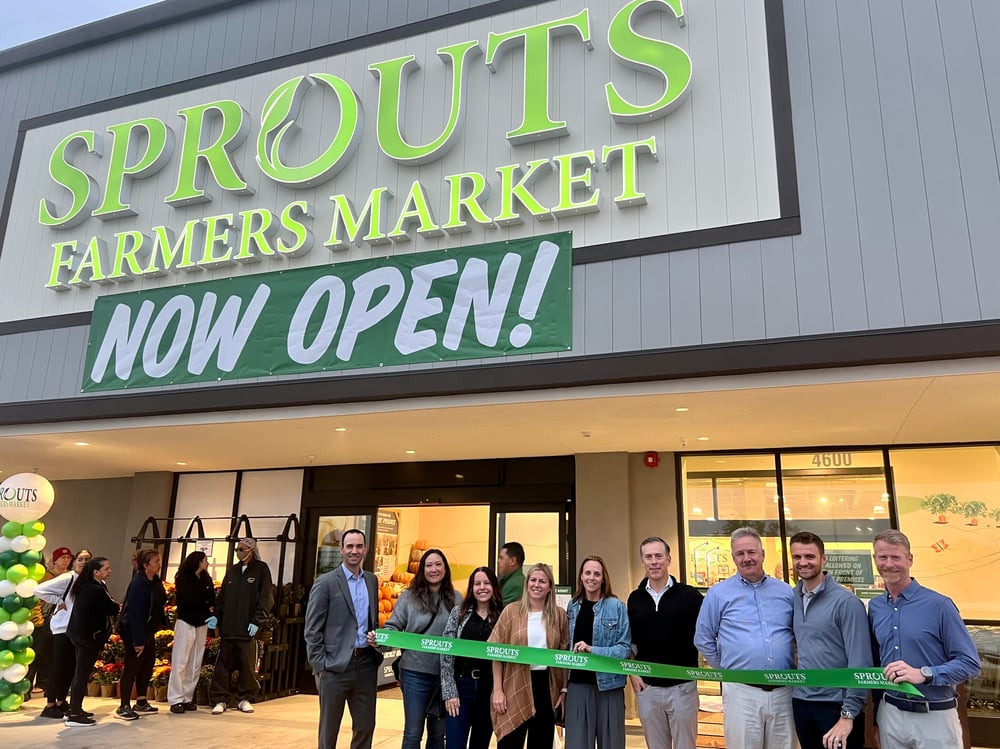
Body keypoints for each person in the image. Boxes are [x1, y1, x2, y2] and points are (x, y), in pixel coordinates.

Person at [869, 529, 981, 749]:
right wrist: (876, 722)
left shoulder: (940, 605)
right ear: (875, 559)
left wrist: (925, 673)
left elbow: (970, 664)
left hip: (935, 716)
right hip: (889, 713)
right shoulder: (875, 607)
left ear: (909, 560)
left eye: (896, 557)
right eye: (882, 557)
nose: (889, 564)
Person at [694, 527, 795, 749]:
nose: (746, 558)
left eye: (751, 552)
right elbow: (703, 638)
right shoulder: (718, 593)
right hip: (741, 693)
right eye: (740, 554)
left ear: (762, 555)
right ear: (733, 558)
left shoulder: (786, 592)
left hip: (784, 692)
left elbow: (797, 636)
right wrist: (728, 671)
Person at [788, 532, 871, 749]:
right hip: (802, 702)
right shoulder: (793, 598)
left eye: (810, 556)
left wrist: (849, 713)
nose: (803, 562)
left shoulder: (846, 603)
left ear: (823, 559)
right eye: (797, 557)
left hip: (836, 706)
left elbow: (860, 661)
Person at [377, 548, 462, 749]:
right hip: (415, 674)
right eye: (429, 565)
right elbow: (393, 625)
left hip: (444, 677)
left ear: (445, 568)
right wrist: (381, 638)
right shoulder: (409, 597)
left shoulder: (457, 598)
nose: (434, 569)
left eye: (438, 564)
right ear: (422, 569)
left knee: (438, 735)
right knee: (413, 734)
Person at [305, 528, 381, 749]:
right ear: (341, 549)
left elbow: (371, 621)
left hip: (365, 664)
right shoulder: (326, 582)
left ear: (365, 549)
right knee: (329, 731)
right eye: (350, 546)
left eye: (359, 546)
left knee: (365, 728)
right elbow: (312, 629)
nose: (354, 551)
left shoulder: (371, 581)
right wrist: (320, 666)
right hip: (334, 668)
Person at [626, 537, 703, 749]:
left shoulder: (690, 596)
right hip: (648, 690)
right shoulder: (635, 599)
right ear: (642, 561)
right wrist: (633, 674)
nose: (654, 561)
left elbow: (708, 632)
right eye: (648, 557)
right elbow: (629, 642)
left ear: (668, 559)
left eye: (658, 556)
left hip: (683, 689)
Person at [489, 562, 569, 749]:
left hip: (546, 686)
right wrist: (498, 690)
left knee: (541, 742)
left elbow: (564, 655)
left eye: (542, 581)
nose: (537, 584)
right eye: (533, 580)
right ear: (526, 584)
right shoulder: (511, 612)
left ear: (550, 587)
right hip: (514, 682)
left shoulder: (559, 616)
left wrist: (564, 689)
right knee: (510, 741)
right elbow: (495, 652)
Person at [565, 556, 631, 749]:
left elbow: (625, 649)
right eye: (587, 573)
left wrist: (593, 650)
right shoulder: (572, 606)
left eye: (597, 574)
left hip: (609, 688)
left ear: (603, 579)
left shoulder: (617, 607)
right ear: (581, 577)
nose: (591, 578)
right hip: (578, 686)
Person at [441, 566, 504, 749]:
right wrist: (449, 692)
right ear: (471, 587)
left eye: (487, 583)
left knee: (480, 744)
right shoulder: (458, 613)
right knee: (454, 744)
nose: (482, 587)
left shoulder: (503, 615)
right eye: (477, 583)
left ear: (494, 587)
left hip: (489, 691)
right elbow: (446, 653)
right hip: (461, 687)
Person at [210, 537, 275, 715]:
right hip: (228, 628)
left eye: (242, 549)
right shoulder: (232, 571)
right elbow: (222, 597)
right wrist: (217, 616)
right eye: (237, 549)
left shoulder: (261, 570)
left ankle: (244, 698)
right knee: (222, 666)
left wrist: (257, 621)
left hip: (247, 629)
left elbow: (266, 598)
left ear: (251, 551)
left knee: (247, 665)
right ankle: (220, 699)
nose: (238, 552)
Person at [34, 548, 92, 719]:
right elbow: (39, 590)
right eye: (80, 559)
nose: (83, 562)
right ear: (75, 562)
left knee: (70, 667)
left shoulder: (90, 581)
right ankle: (50, 704)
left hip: (77, 629)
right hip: (62, 628)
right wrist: (58, 600)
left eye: (87, 559)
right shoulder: (67, 578)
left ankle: (61, 701)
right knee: (59, 666)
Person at [65, 556, 119, 727]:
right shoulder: (93, 589)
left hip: (81, 635)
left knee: (81, 673)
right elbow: (110, 608)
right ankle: (74, 712)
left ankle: (76, 708)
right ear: (96, 572)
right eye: (106, 569)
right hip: (88, 637)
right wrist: (117, 606)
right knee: (81, 674)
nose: (109, 572)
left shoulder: (90, 586)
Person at [116, 548, 168, 720]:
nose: (159, 565)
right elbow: (136, 614)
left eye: (159, 561)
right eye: (155, 562)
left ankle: (141, 700)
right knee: (132, 666)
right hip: (135, 631)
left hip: (149, 630)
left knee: (146, 665)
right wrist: (138, 640)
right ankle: (124, 705)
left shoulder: (154, 581)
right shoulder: (138, 583)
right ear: (146, 565)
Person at [167, 549, 216, 714]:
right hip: (186, 621)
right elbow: (189, 599)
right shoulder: (183, 578)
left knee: (195, 662)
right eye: (205, 560)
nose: (207, 563)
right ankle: (175, 698)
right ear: (198, 562)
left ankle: (187, 697)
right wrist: (204, 602)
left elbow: (211, 597)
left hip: (201, 622)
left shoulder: (205, 578)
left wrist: (205, 603)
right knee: (180, 661)